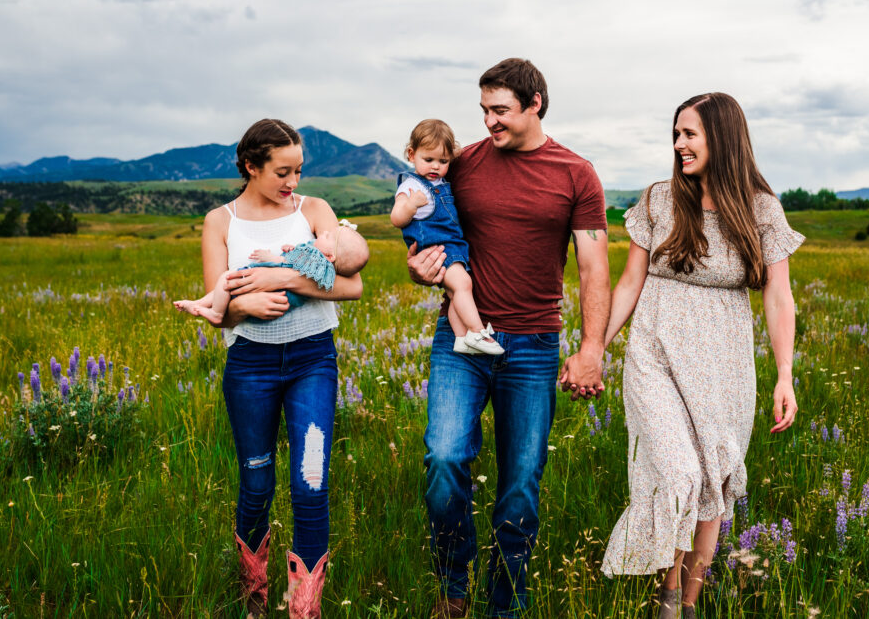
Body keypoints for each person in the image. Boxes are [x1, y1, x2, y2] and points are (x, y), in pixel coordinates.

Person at [407, 58, 610, 618]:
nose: (489, 122)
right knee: (444, 460)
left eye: (500, 110)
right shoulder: (463, 164)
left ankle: (507, 606)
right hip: (462, 342)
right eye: (484, 111)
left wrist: (591, 349)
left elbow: (594, 268)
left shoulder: (576, 173)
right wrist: (420, 267)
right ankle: (454, 586)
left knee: (520, 487)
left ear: (535, 102)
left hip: (534, 348)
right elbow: (429, 236)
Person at [598, 93, 802, 618]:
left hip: (725, 366)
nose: (678, 144)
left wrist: (785, 376)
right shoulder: (659, 200)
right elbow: (628, 283)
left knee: (713, 480)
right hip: (656, 354)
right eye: (676, 134)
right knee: (681, 475)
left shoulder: (760, 208)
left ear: (723, 138)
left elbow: (779, 296)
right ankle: (669, 595)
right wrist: (594, 347)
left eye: (690, 134)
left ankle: (682, 605)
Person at [200, 119, 366, 619]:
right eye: (281, 172)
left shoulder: (314, 210)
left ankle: (303, 610)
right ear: (251, 166)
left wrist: (281, 279)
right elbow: (218, 307)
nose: (292, 182)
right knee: (256, 481)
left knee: (311, 481)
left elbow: (352, 285)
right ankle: (255, 600)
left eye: (298, 170)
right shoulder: (221, 221)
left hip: (313, 359)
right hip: (250, 365)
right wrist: (245, 308)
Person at [392, 119, 504, 356]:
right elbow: (396, 218)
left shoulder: (440, 183)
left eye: (443, 161)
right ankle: (476, 331)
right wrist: (410, 205)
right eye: (428, 160)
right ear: (411, 155)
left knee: (455, 293)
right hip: (437, 249)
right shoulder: (412, 186)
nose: (436, 167)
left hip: (452, 246)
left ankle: (461, 338)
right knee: (464, 285)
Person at [173, 223, 368, 325]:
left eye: (328, 236)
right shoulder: (322, 261)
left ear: (330, 255)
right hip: (258, 309)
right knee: (226, 286)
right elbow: (300, 260)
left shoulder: (319, 261)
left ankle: (213, 311)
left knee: (226, 280)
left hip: (272, 300)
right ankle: (199, 304)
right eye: (282, 172)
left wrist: (271, 257)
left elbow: (289, 264)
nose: (323, 234)